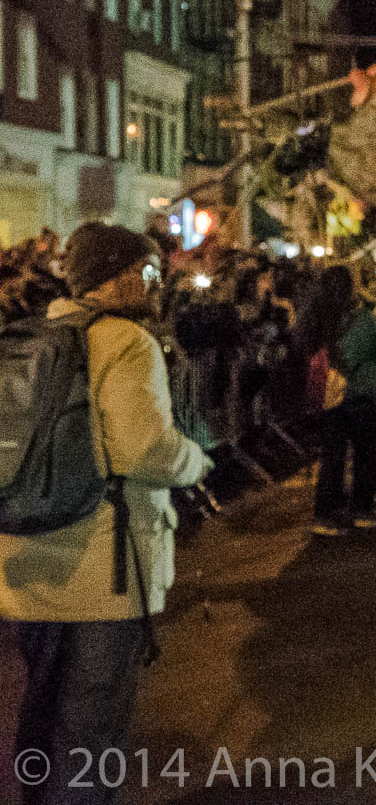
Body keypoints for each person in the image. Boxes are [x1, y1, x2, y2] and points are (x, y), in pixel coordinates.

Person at [1, 224, 212, 805]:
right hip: (103, 569)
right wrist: (196, 459)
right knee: (90, 728)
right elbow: (144, 448)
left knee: (41, 713)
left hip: (28, 559)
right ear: (112, 276)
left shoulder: (32, 335)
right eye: (146, 271)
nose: (155, 282)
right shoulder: (125, 341)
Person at [310, 265, 376, 535]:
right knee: (365, 454)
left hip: (332, 395)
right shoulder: (361, 320)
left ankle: (327, 510)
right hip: (361, 395)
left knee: (333, 455)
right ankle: (361, 508)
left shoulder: (320, 319)